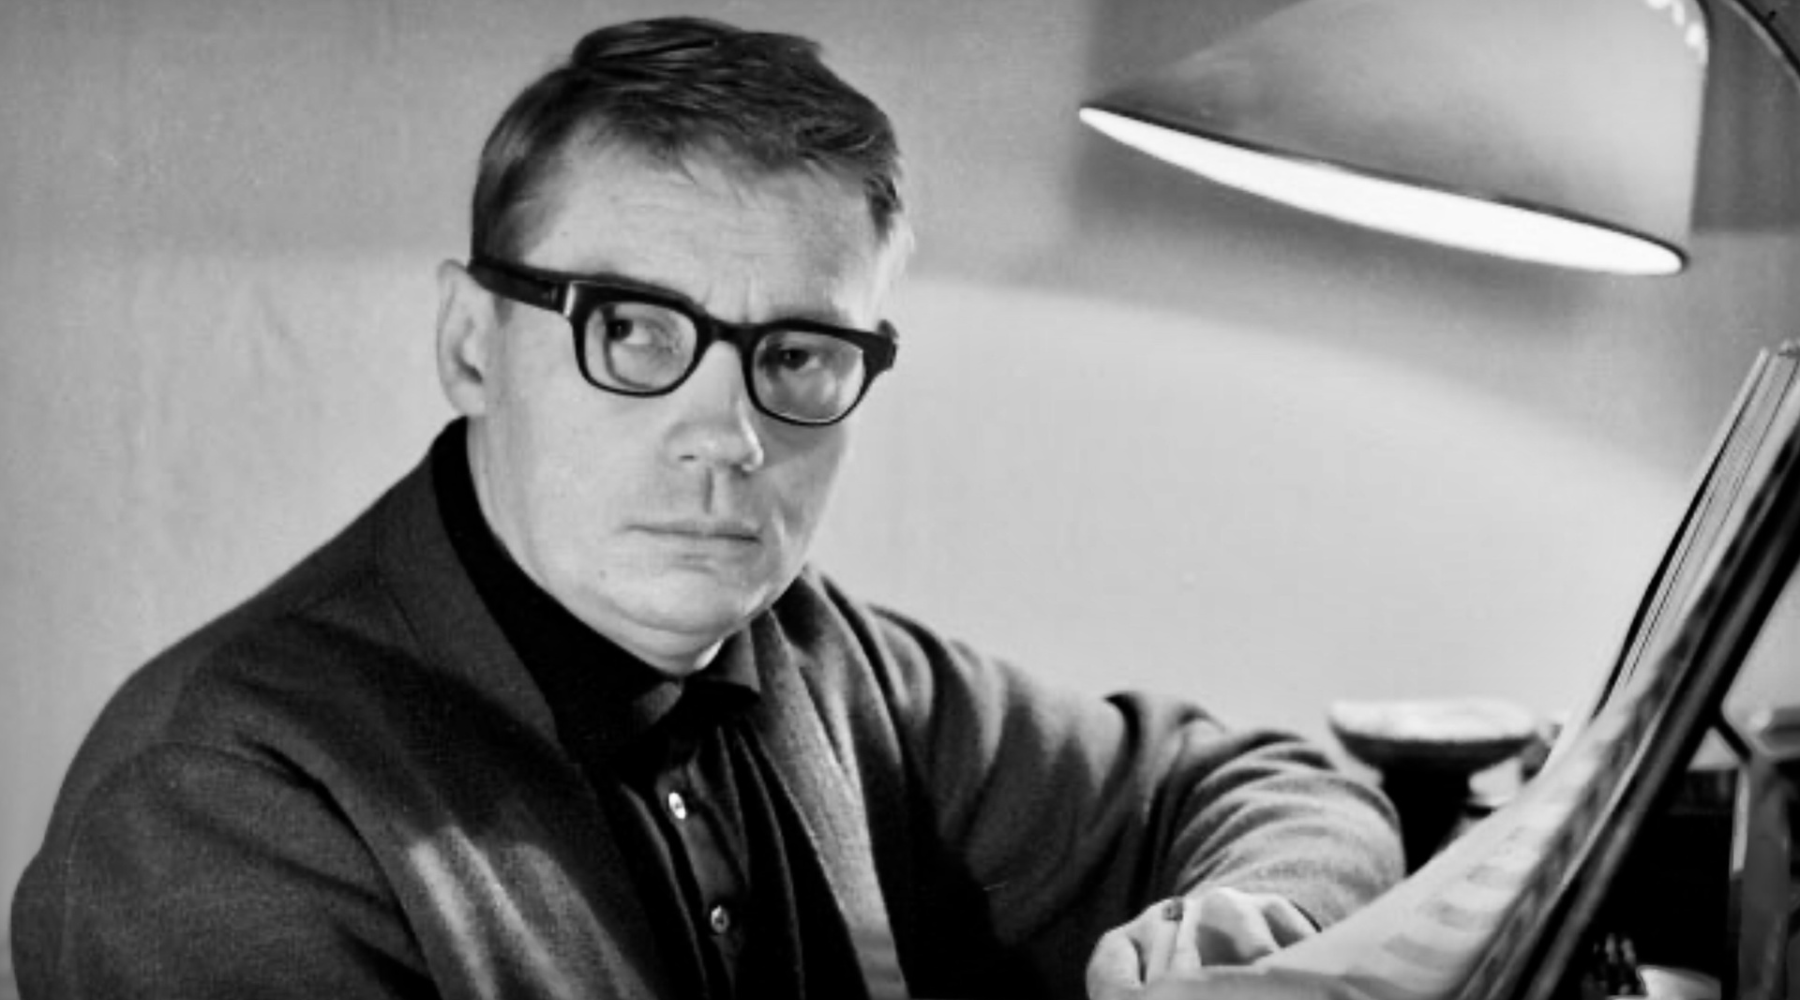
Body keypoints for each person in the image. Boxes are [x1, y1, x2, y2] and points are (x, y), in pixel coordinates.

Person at [10, 16, 1402, 1000]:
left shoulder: (813, 653)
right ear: (471, 346)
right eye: (631, 330)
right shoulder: (215, 807)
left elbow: (1261, 786)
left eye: (796, 354)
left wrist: (1252, 930)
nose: (730, 437)